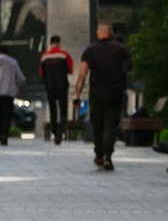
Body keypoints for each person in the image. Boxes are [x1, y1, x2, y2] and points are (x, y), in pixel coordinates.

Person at [71, 22, 133, 171]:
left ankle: (99, 154)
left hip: (96, 94)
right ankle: (108, 157)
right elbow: (128, 68)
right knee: (111, 126)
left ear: (98, 33)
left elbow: (82, 75)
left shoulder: (89, 50)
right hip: (115, 93)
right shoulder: (122, 50)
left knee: (97, 125)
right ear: (111, 33)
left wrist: (77, 96)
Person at [38, 35, 74, 143]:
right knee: (63, 110)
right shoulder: (64, 54)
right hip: (62, 86)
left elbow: (41, 73)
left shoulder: (44, 56)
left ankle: (54, 131)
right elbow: (70, 70)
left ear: (50, 43)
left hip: (50, 87)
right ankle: (60, 131)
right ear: (59, 43)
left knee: (52, 110)